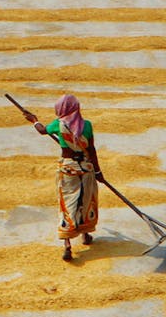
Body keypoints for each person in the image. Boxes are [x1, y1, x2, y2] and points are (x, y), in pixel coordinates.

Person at [23, 93, 106, 261]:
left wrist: (34, 120)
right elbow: (91, 150)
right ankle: (86, 234)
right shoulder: (87, 125)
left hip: (68, 168)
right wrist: (98, 172)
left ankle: (67, 244)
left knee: (67, 202)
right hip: (86, 168)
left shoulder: (58, 125)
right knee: (86, 199)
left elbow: (42, 130)